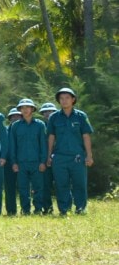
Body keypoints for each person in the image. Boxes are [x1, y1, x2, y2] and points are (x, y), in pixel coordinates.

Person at [47, 87, 94, 215]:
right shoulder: (54, 117)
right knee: (61, 184)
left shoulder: (81, 116)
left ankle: (80, 208)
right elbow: (51, 137)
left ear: (73, 100)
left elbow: (86, 136)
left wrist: (89, 155)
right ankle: (64, 209)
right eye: (61, 98)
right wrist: (48, 156)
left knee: (79, 183)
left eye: (67, 98)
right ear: (59, 101)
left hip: (77, 156)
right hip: (59, 157)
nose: (64, 101)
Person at [9, 99, 47, 215]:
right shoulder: (15, 126)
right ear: (20, 110)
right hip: (21, 163)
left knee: (38, 187)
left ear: (32, 109)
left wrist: (42, 161)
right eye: (22, 107)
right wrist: (14, 162)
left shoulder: (40, 125)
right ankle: (25, 210)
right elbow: (12, 145)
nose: (25, 110)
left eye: (28, 107)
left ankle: (38, 209)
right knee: (23, 188)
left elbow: (43, 144)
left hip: (36, 162)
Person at [38, 102, 58, 214]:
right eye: (45, 112)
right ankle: (47, 209)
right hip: (45, 160)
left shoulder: (59, 124)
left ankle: (66, 208)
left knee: (62, 184)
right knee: (45, 185)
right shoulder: (41, 127)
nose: (48, 114)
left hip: (59, 158)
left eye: (51, 111)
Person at [3, 108, 23, 215]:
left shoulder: (24, 129)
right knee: (9, 188)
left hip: (22, 162)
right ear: (9, 119)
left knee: (24, 187)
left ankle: (26, 209)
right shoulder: (5, 130)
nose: (15, 118)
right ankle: (11, 210)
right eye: (13, 116)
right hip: (8, 163)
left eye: (18, 116)